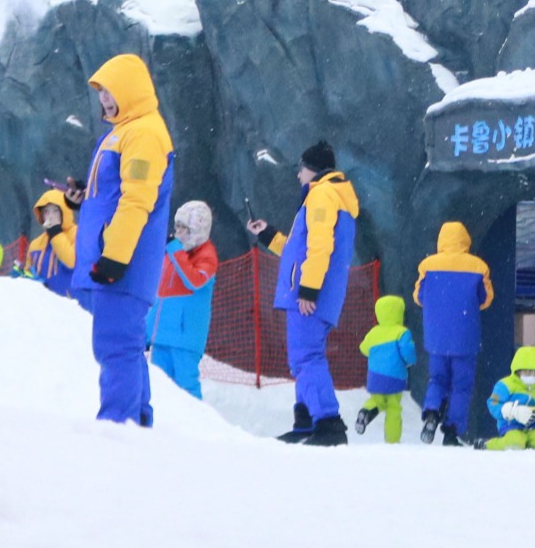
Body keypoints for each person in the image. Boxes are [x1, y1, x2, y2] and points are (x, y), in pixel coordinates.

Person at [74, 53, 176, 425]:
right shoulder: (127, 131)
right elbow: (117, 193)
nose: (103, 99)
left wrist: (115, 257)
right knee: (125, 346)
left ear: (130, 90)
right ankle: (135, 420)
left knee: (116, 346)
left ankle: (119, 423)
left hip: (125, 263)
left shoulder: (144, 133)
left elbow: (137, 199)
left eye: (110, 91)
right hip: (120, 258)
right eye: (100, 92)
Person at [246, 141, 359, 446]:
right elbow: (299, 249)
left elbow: (319, 248)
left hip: (311, 293)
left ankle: (328, 423)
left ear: (315, 169)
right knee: (305, 356)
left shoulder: (322, 195)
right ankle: (307, 420)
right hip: (315, 289)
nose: (298, 174)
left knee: (306, 357)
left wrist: (308, 290)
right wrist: (267, 234)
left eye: (301, 168)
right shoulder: (328, 196)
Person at [413, 219, 494, 447]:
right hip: (465, 337)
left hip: (437, 337)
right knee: (461, 385)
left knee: (437, 379)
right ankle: (451, 431)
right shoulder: (478, 266)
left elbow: (418, 297)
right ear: (465, 240)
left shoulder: (427, 265)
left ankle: (431, 412)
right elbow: (486, 299)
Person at [152, 201, 221, 397]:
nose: (179, 232)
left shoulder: (206, 255)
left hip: (185, 336)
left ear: (198, 228)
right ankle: (159, 422)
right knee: (157, 383)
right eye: (177, 226)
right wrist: (148, 331)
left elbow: (195, 281)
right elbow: (161, 297)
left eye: (185, 227)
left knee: (186, 385)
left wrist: (175, 251)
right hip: (163, 335)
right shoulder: (172, 252)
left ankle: (195, 425)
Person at [355, 295, 419, 443]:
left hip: (375, 376)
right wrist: (411, 361)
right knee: (393, 408)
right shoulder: (402, 332)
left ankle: (366, 411)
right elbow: (407, 351)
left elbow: (364, 348)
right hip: (395, 376)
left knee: (377, 400)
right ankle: (392, 440)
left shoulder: (374, 332)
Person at [482, 345, 535, 450]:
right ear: (518, 370)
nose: (531, 375)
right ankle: (488, 445)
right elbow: (493, 402)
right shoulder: (504, 385)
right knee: (514, 443)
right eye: (527, 372)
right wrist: (510, 411)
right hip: (510, 425)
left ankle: (528, 441)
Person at [22, 186, 79, 284]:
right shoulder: (36, 243)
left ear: (65, 212)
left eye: (55, 211)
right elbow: (28, 271)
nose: (51, 216)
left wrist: (56, 234)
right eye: (46, 212)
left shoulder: (78, 234)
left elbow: (72, 262)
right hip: (43, 297)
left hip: (70, 297)